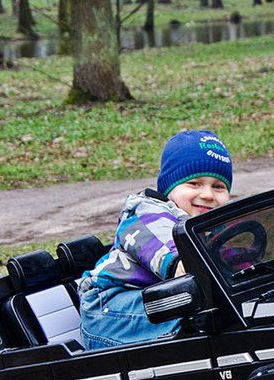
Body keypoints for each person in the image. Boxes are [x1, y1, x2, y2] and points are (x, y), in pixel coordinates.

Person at [78, 130, 233, 350]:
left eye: (218, 186)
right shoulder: (147, 216)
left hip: (164, 300)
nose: (208, 195)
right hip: (109, 312)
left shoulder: (210, 226)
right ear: (170, 188)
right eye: (194, 184)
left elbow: (232, 261)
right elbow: (179, 263)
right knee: (208, 314)